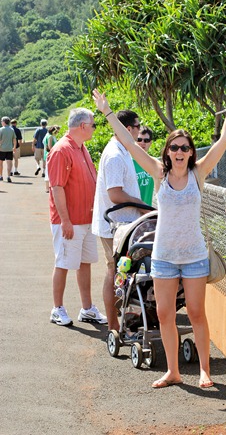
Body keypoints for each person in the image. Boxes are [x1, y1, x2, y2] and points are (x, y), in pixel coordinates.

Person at [92, 85, 226, 389]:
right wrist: (107, 111)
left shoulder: (198, 174)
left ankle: (204, 371)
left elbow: (223, 141)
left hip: (193, 257)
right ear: (166, 152)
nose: (179, 152)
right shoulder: (158, 172)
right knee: (164, 314)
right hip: (162, 256)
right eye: (173, 148)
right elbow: (129, 141)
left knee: (196, 313)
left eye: (184, 148)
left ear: (191, 153)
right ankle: (173, 371)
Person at [47, 108, 107, 326]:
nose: (94, 128)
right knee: (63, 262)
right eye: (93, 124)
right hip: (69, 221)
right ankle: (57, 308)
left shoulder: (81, 148)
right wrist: (65, 220)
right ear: (83, 126)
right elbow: (57, 187)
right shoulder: (61, 150)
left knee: (84, 263)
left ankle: (87, 308)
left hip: (86, 219)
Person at [92, 110, 149, 331]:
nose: (140, 129)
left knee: (121, 272)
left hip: (124, 225)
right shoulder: (115, 154)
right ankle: (113, 325)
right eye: (138, 126)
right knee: (114, 271)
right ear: (128, 129)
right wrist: (141, 205)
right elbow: (115, 194)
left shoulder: (124, 150)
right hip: (114, 225)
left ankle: (121, 319)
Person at [133, 126, 155, 206]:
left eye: (146, 140)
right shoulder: (128, 162)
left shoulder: (153, 163)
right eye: (139, 140)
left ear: (150, 143)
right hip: (133, 212)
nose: (142, 143)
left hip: (147, 211)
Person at [43, 125, 60, 193]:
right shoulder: (50, 137)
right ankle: (48, 187)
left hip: (47, 155)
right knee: (49, 171)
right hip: (51, 155)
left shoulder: (47, 136)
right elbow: (50, 147)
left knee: (48, 170)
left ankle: (48, 187)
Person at [0, 116, 16, 183]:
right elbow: (14, 139)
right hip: (10, 149)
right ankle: (8, 176)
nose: (1, 122)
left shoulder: (1, 130)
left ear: (4, 122)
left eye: (1, 121)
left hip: (2, 149)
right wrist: (14, 147)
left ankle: (1, 176)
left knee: (1, 163)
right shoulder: (11, 130)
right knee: (9, 163)